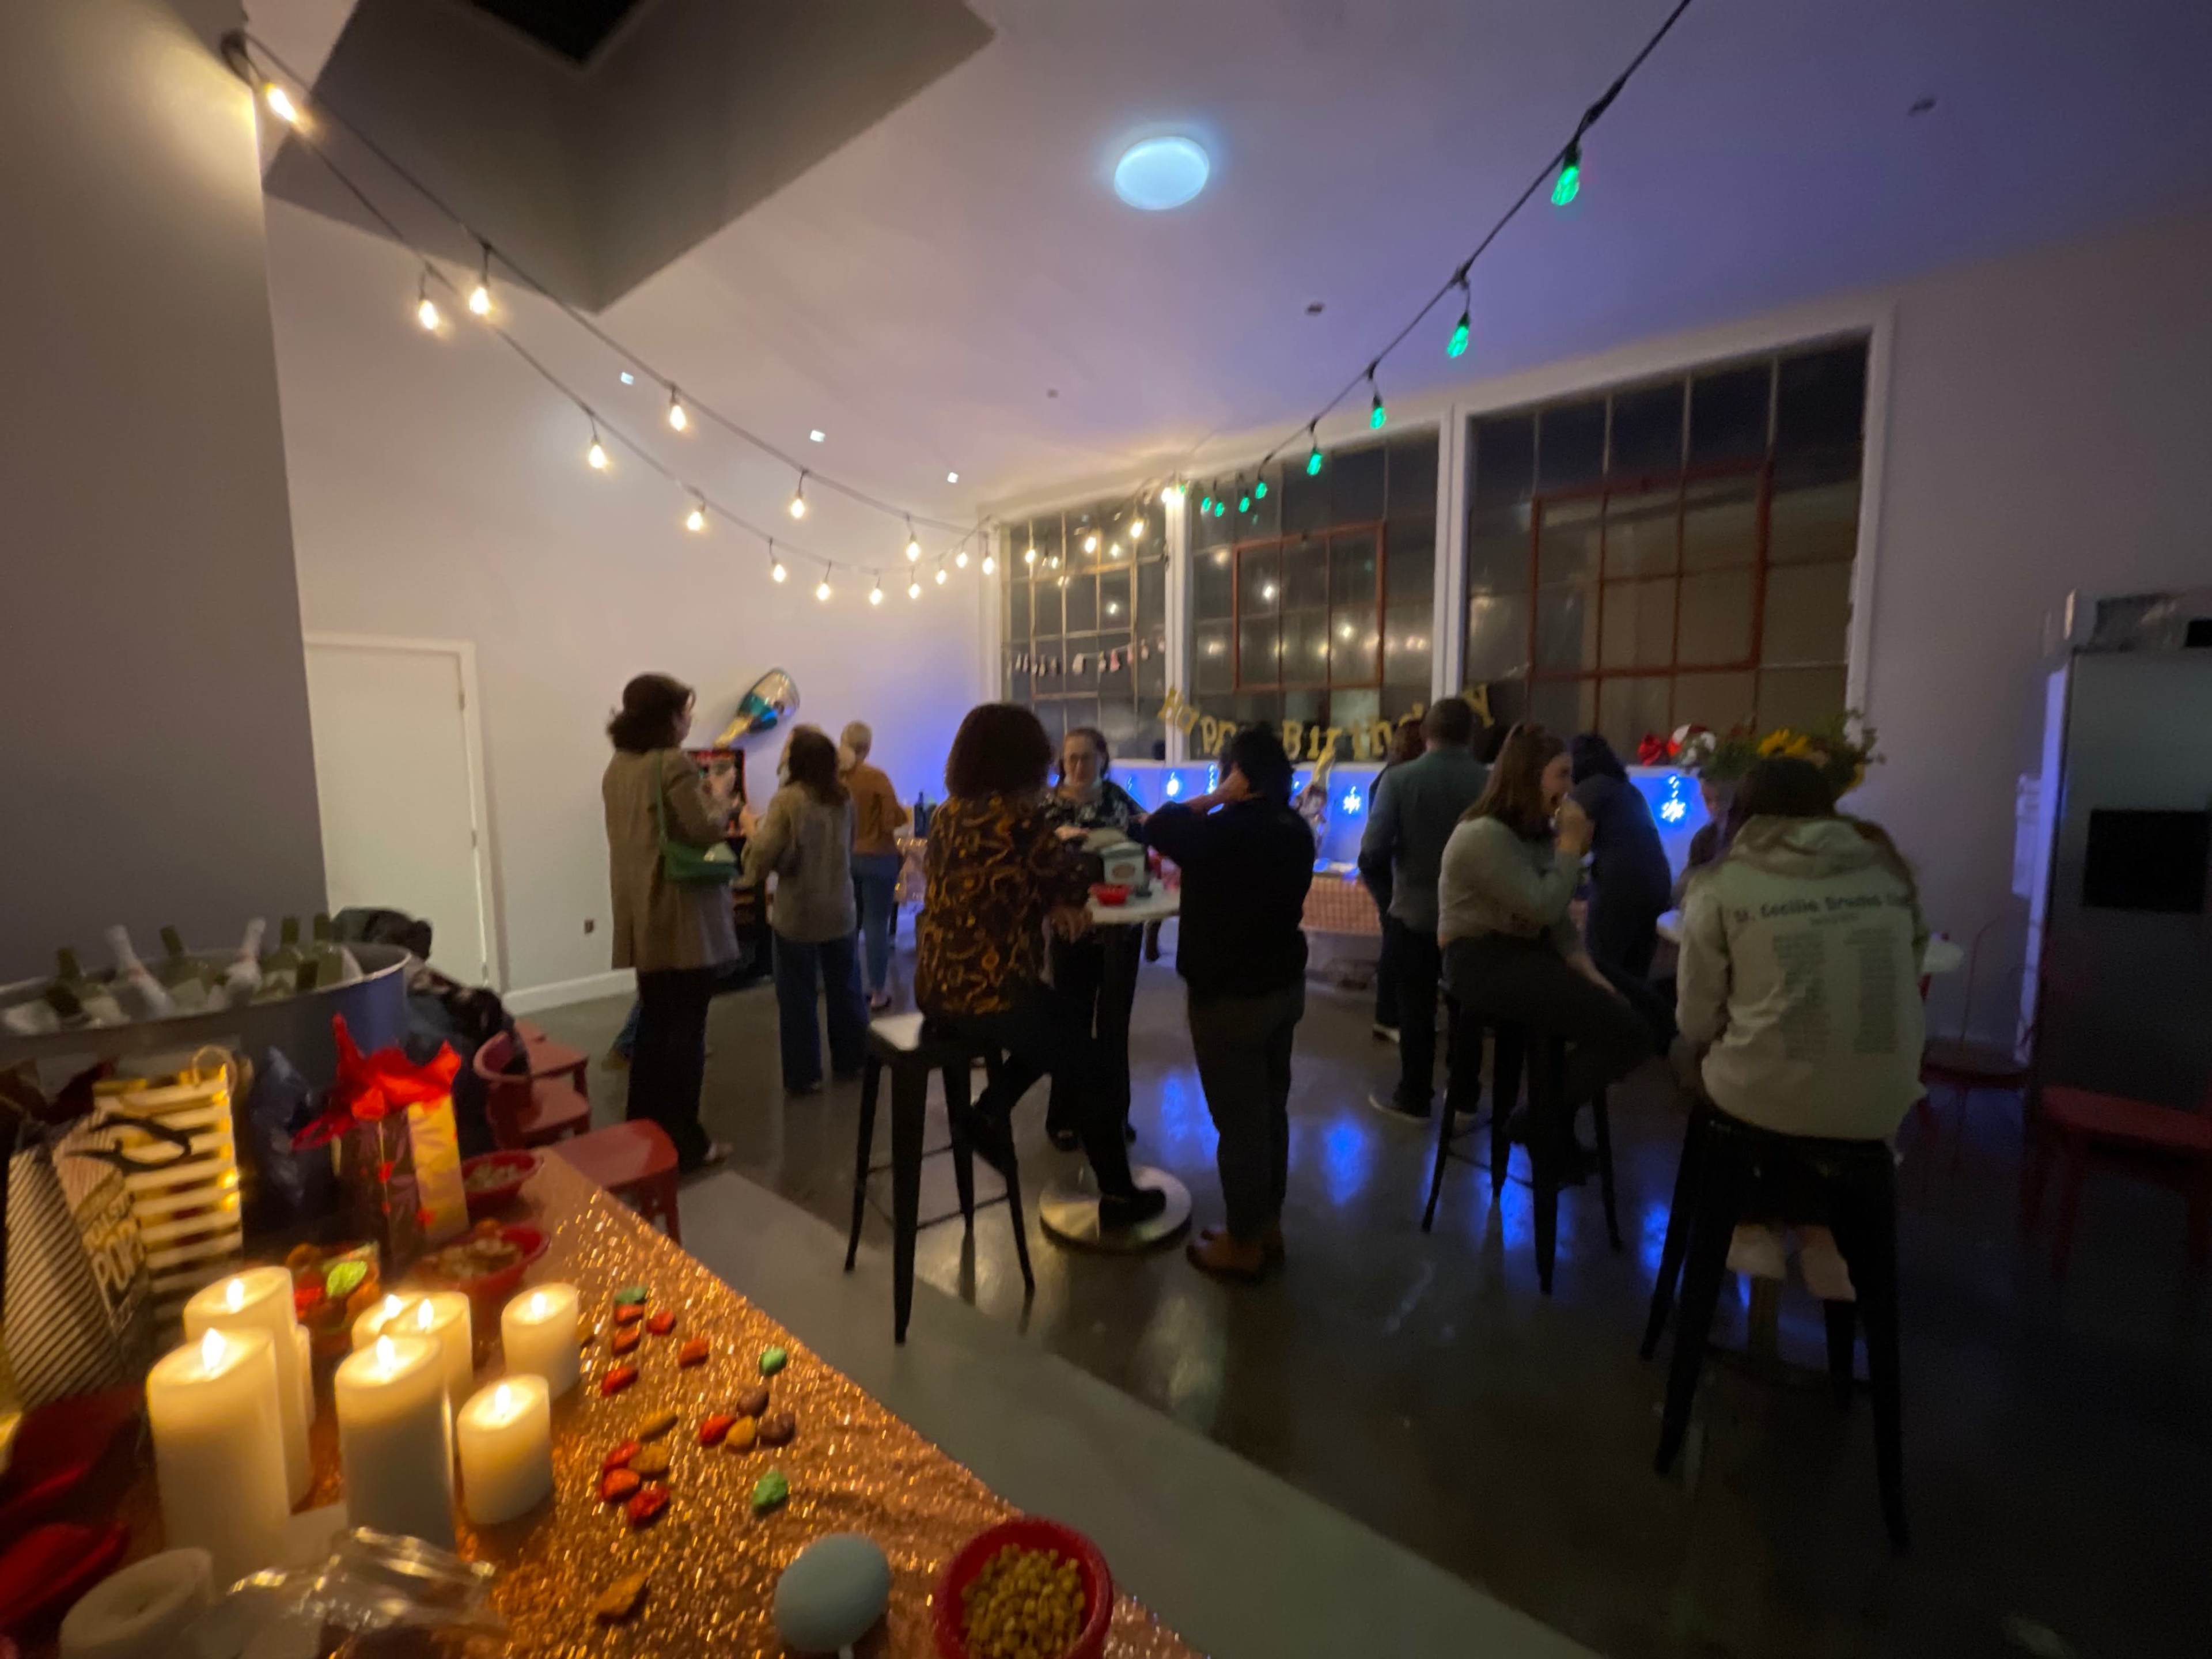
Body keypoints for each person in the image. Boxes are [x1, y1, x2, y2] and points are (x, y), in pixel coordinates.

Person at [915, 704, 1166, 1228]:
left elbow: (1001, 883)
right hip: (993, 988)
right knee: (1093, 1065)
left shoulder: (948, 813)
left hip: (936, 984)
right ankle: (1120, 1195)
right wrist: (1065, 890)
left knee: (1065, 1026)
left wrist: (1047, 896)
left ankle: (988, 1112)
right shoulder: (1017, 818)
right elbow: (1073, 878)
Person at [1438, 724, 1652, 1180]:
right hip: (1478, 960)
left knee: (1650, 1009)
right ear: (1529, 776)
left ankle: (1548, 1126)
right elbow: (1543, 906)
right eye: (1561, 776)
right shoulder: (1483, 835)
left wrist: (1588, 970)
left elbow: (1558, 926)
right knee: (1628, 1032)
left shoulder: (1532, 834)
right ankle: (1536, 1121)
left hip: (1525, 952)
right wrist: (1572, 847)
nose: (1570, 790)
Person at [1140, 726, 1315, 1280]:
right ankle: (1265, 1224)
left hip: (1230, 998)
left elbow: (1158, 824)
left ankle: (1243, 1243)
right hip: (1283, 988)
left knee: (1240, 1123)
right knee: (1270, 1110)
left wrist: (1218, 798)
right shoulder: (1295, 828)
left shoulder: (1224, 831)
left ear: (1237, 775)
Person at [1676, 758, 1927, 1138]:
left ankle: (1716, 1191)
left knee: (1682, 1054)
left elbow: (1696, 1022)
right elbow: (1909, 972)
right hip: (1885, 1103)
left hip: (1761, 1101)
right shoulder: (1888, 871)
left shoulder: (1721, 884)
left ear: (1742, 811)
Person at [601, 672, 736, 1172]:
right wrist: (720, 795)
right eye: (685, 712)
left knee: (654, 1032)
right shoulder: (671, 763)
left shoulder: (618, 767)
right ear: (667, 718)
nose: (689, 721)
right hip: (682, 919)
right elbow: (703, 828)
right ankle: (687, 1142)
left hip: (642, 912)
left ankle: (644, 1133)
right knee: (686, 1036)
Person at [1359, 696, 1488, 1124]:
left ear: (1426, 733)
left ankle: (1415, 1096)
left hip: (1413, 912)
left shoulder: (1399, 781)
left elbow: (1372, 851)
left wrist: (1389, 894)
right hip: (1474, 919)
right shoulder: (1490, 783)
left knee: (1415, 1008)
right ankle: (1466, 1096)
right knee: (1467, 1009)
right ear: (1471, 734)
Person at [740, 725, 866, 1095]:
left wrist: (749, 828)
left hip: (799, 913)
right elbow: (849, 846)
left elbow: (766, 854)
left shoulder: (788, 801)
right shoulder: (844, 798)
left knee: (798, 996)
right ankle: (851, 1061)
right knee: (845, 989)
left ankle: (805, 1075)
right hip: (841, 909)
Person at [1042, 727, 1147, 1152]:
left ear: (1103, 759)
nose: (1080, 767)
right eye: (1072, 759)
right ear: (1061, 764)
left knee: (1114, 1026)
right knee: (1072, 1022)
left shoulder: (1120, 800)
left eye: (1087, 757)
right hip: (1073, 930)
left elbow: (1146, 845)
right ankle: (1064, 1116)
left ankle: (1113, 1116)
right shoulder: (1047, 810)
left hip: (1122, 929)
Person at [1569, 733, 1675, 979]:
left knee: (1602, 970)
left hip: (1620, 889)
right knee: (1635, 975)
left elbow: (1573, 847)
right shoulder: (1627, 790)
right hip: (1656, 885)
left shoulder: (1589, 789)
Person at [1357, 715, 1428, 1044]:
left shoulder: (1393, 778)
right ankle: (1386, 1018)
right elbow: (1380, 839)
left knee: (1397, 939)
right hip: (1384, 870)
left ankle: (1395, 1014)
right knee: (1394, 940)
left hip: (1385, 867)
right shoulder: (1393, 781)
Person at [839, 721, 910, 1012]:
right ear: (867, 747)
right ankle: (878, 992)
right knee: (877, 926)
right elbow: (892, 820)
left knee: (849, 926)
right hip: (879, 859)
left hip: (846, 859)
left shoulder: (837, 779)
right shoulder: (876, 777)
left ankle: (846, 988)